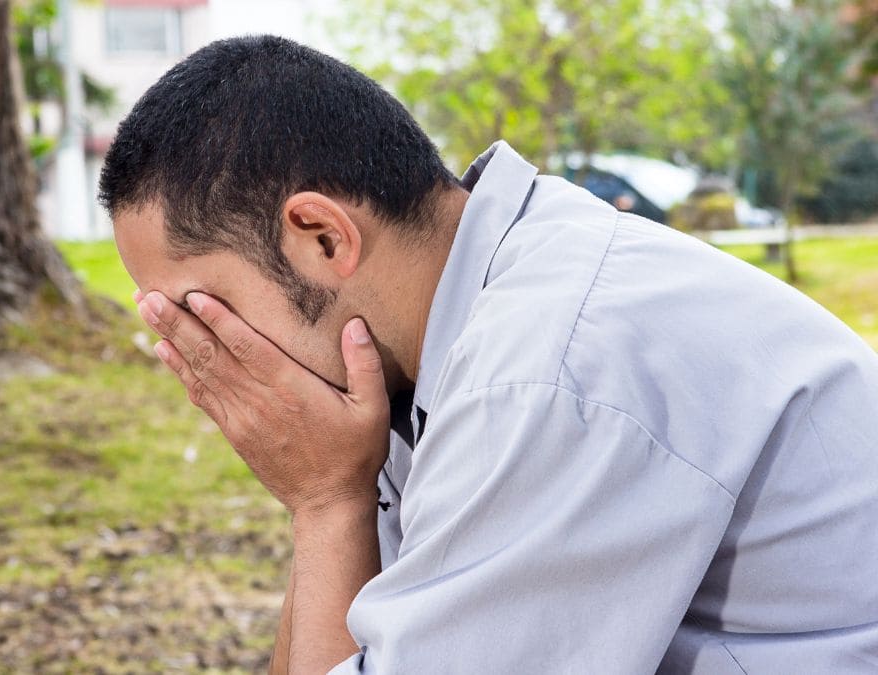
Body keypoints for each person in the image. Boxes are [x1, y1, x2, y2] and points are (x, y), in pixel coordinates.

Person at [98, 35, 878, 674]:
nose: (197, 353)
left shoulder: (543, 371)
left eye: (200, 308)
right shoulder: (433, 339)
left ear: (324, 236)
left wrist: (326, 504)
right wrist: (328, 498)